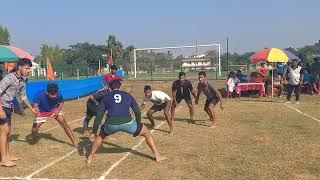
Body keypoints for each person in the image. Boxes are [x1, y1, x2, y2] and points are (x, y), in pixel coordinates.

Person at [87, 79, 166, 163]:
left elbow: (99, 116)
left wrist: (94, 132)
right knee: (147, 133)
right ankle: (157, 156)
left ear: (110, 88)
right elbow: (137, 112)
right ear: (119, 86)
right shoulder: (127, 95)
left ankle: (90, 157)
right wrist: (138, 125)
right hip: (127, 122)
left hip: (111, 124)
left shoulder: (106, 97)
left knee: (101, 136)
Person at [0, 58, 38, 167]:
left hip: (8, 106)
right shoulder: (9, 78)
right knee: (4, 131)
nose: (28, 70)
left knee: (8, 132)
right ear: (20, 67)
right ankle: (3, 159)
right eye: (26, 68)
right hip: (2, 106)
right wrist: (0, 109)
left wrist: (32, 109)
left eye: (29, 69)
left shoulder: (22, 80)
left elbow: (23, 96)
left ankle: (7, 156)